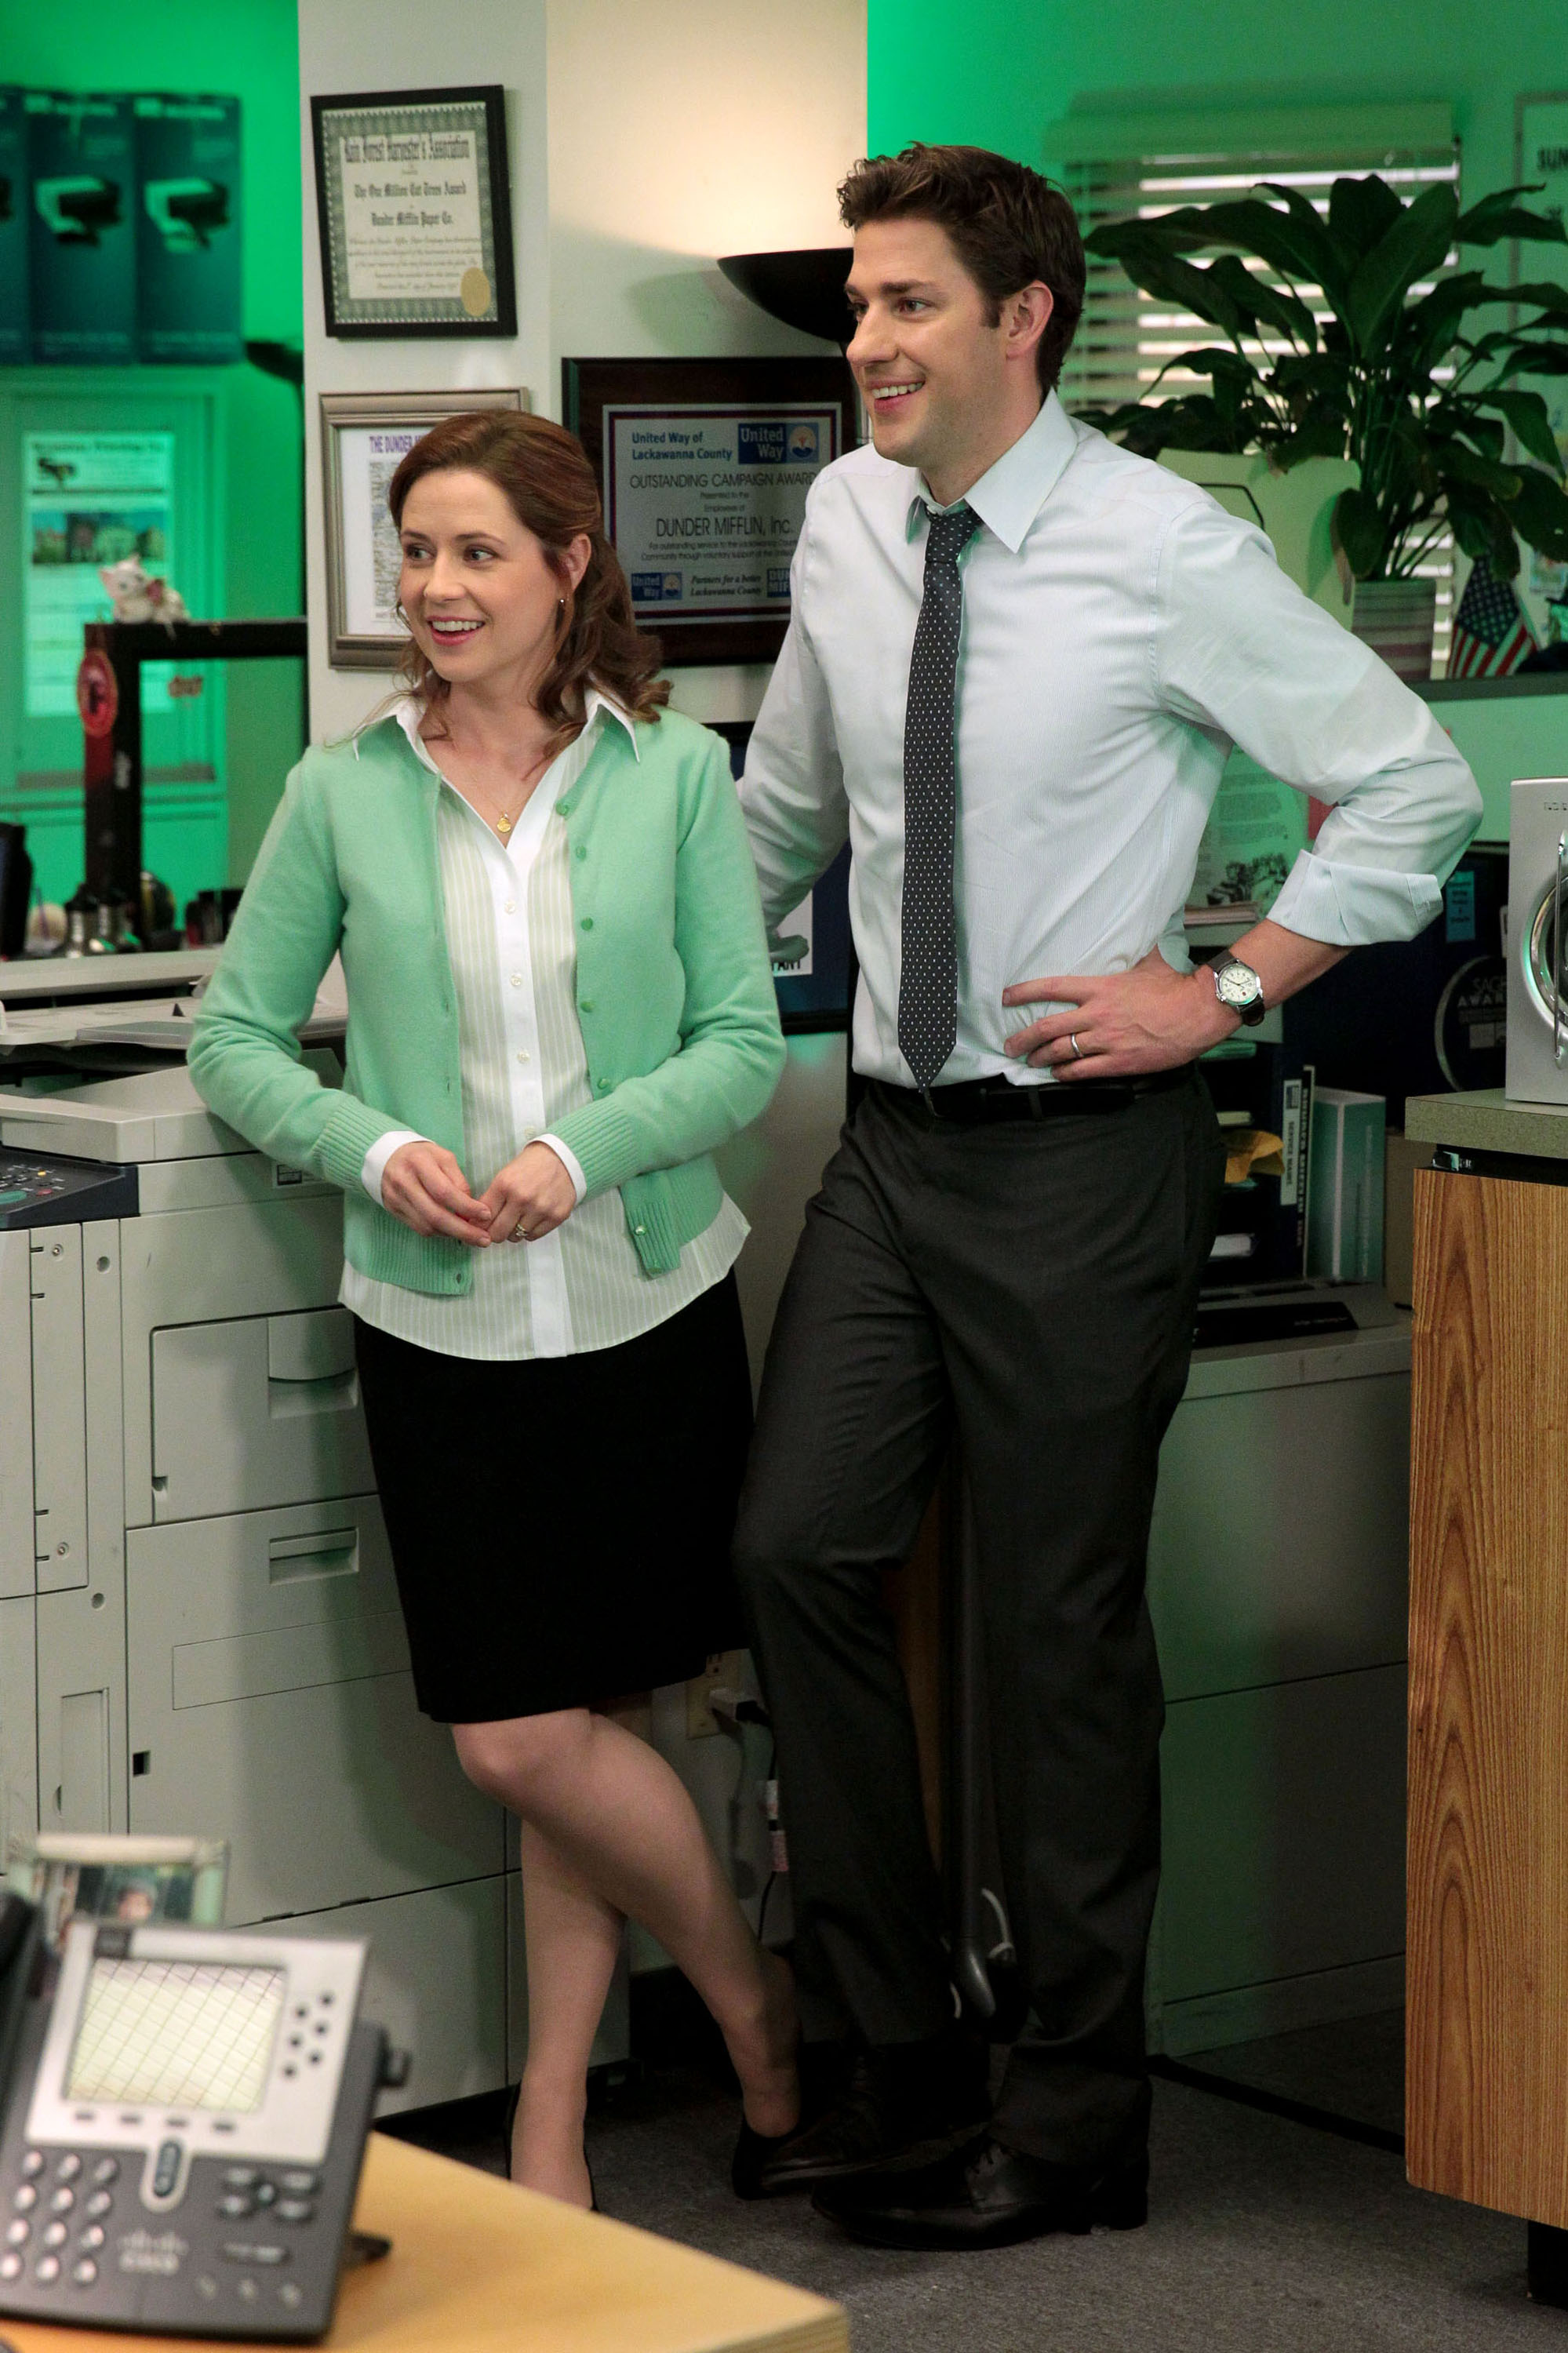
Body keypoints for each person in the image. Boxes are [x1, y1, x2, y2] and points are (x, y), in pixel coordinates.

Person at [732, 144, 1482, 2250]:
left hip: (1080, 1162)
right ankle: (903, 2049)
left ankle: (1070, 2133)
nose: (864, 342)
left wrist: (1226, 991)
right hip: (888, 1150)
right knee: (796, 1552)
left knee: (1056, 1646)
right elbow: (783, 812)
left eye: (903, 306)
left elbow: (1410, 779)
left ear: (1024, 315)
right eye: (859, 304)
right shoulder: (848, 521)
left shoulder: (1167, 550)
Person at [189, 409, 797, 2209]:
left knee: (594, 1723)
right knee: (520, 1733)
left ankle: (549, 2121)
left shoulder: (674, 773)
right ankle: (756, 2004)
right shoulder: (341, 788)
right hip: (440, 1322)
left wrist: (582, 1150)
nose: (436, 589)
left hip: (643, 1303)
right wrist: (375, 1150)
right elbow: (229, 1035)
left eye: (474, 552)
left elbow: (739, 1048)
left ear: (567, 565)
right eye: (417, 553)